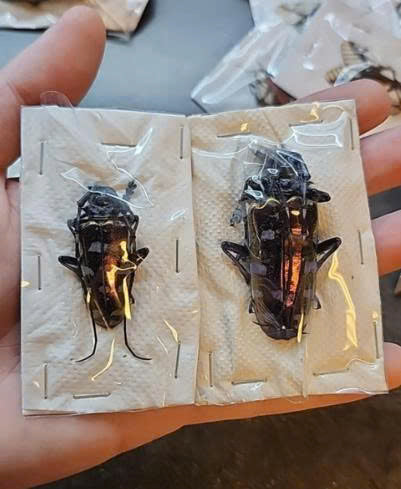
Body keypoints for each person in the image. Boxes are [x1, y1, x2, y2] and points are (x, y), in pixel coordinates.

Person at [0, 7, 400, 489]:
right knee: (280, 253)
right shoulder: (289, 207)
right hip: (274, 273)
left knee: (273, 255)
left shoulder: (258, 205)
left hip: (271, 282)